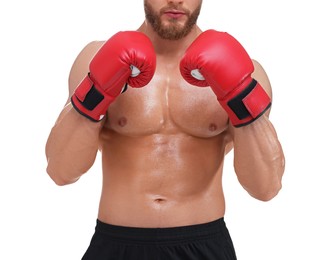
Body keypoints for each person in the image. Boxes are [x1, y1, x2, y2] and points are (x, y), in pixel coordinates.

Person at [45, 0, 285, 259]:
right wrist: (97, 89)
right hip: (116, 244)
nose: (176, 0)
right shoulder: (96, 59)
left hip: (204, 245)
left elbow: (265, 188)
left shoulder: (244, 71)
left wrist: (240, 93)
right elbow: (61, 171)